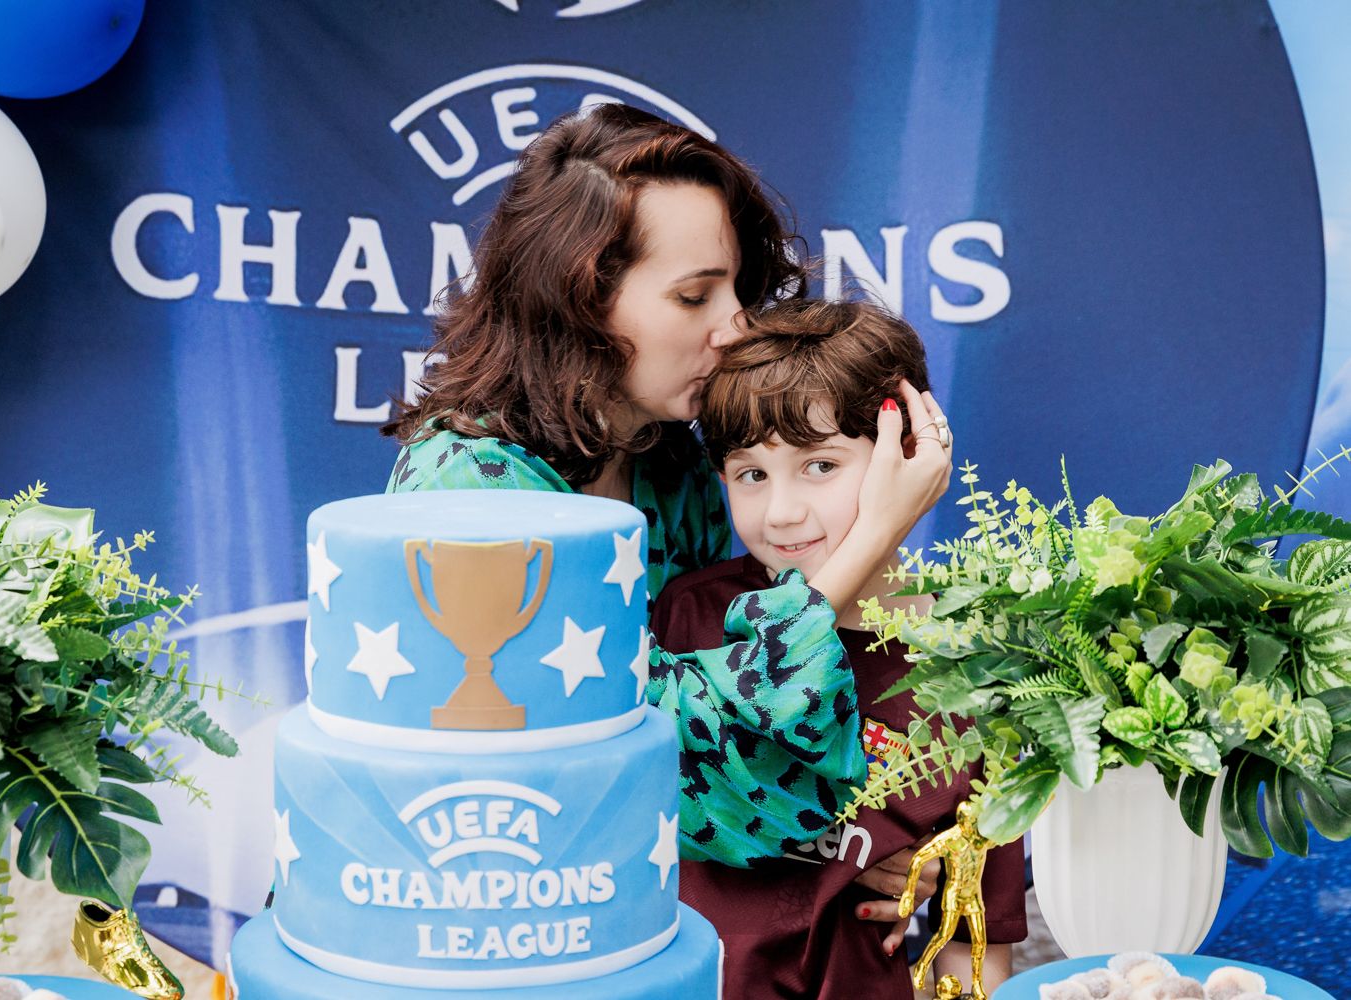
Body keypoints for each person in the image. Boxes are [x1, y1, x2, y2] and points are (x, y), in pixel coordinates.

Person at [383, 104, 952, 883]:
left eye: (736, 292)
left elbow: (741, 777)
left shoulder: (669, 463)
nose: (734, 327)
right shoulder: (469, 491)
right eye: (694, 298)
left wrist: (861, 849)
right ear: (575, 301)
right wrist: (870, 537)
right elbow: (662, 760)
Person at [651, 297, 1024, 1000]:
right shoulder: (695, 613)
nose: (782, 511)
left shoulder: (971, 662)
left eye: (820, 465)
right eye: (751, 473)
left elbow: (978, 948)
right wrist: (838, 850)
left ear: (907, 453)